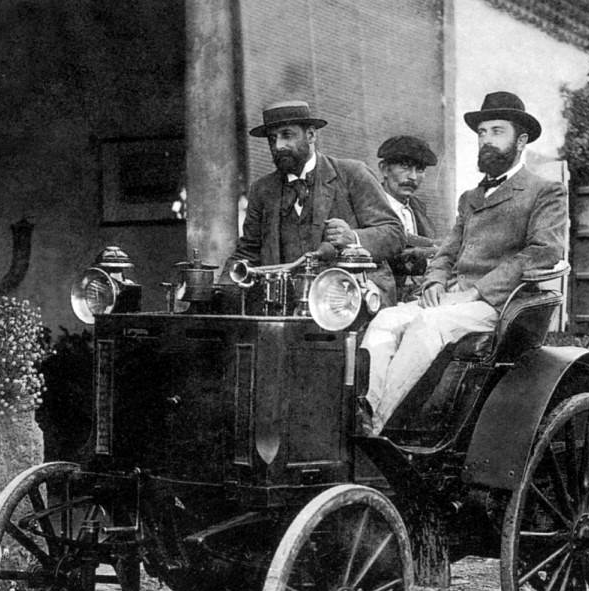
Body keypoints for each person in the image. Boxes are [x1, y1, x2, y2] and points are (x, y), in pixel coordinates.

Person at [361, 91, 568, 434]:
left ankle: (381, 428)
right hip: (453, 298)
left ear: (522, 140)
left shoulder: (544, 191)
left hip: (498, 305)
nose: (486, 140)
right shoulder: (470, 198)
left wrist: (476, 293)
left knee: (428, 326)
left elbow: (543, 252)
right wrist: (434, 282)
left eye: (497, 131)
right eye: (482, 132)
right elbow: (447, 251)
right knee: (386, 319)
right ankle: (367, 410)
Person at [225, 100, 403, 299]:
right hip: (284, 302)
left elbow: (394, 234)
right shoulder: (262, 190)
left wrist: (353, 239)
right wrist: (218, 290)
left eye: (287, 135)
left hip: (350, 298)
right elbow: (248, 252)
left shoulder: (352, 174)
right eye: (272, 139)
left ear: (311, 135)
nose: (278, 146)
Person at [376, 135, 441, 302]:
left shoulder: (419, 210)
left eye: (419, 169)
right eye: (405, 166)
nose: (412, 177)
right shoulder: (368, 207)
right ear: (384, 169)